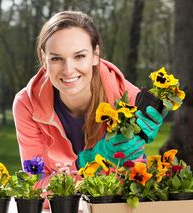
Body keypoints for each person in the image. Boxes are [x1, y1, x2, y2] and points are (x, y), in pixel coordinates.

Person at [13, 11, 164, 189]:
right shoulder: (27, 104)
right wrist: (88, 163)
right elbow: (34, 187)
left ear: (95, 55)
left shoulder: (126, 98)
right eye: (56, 58)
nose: (68, 70)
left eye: (79, 56)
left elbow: (132, 184)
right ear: (43, 59)